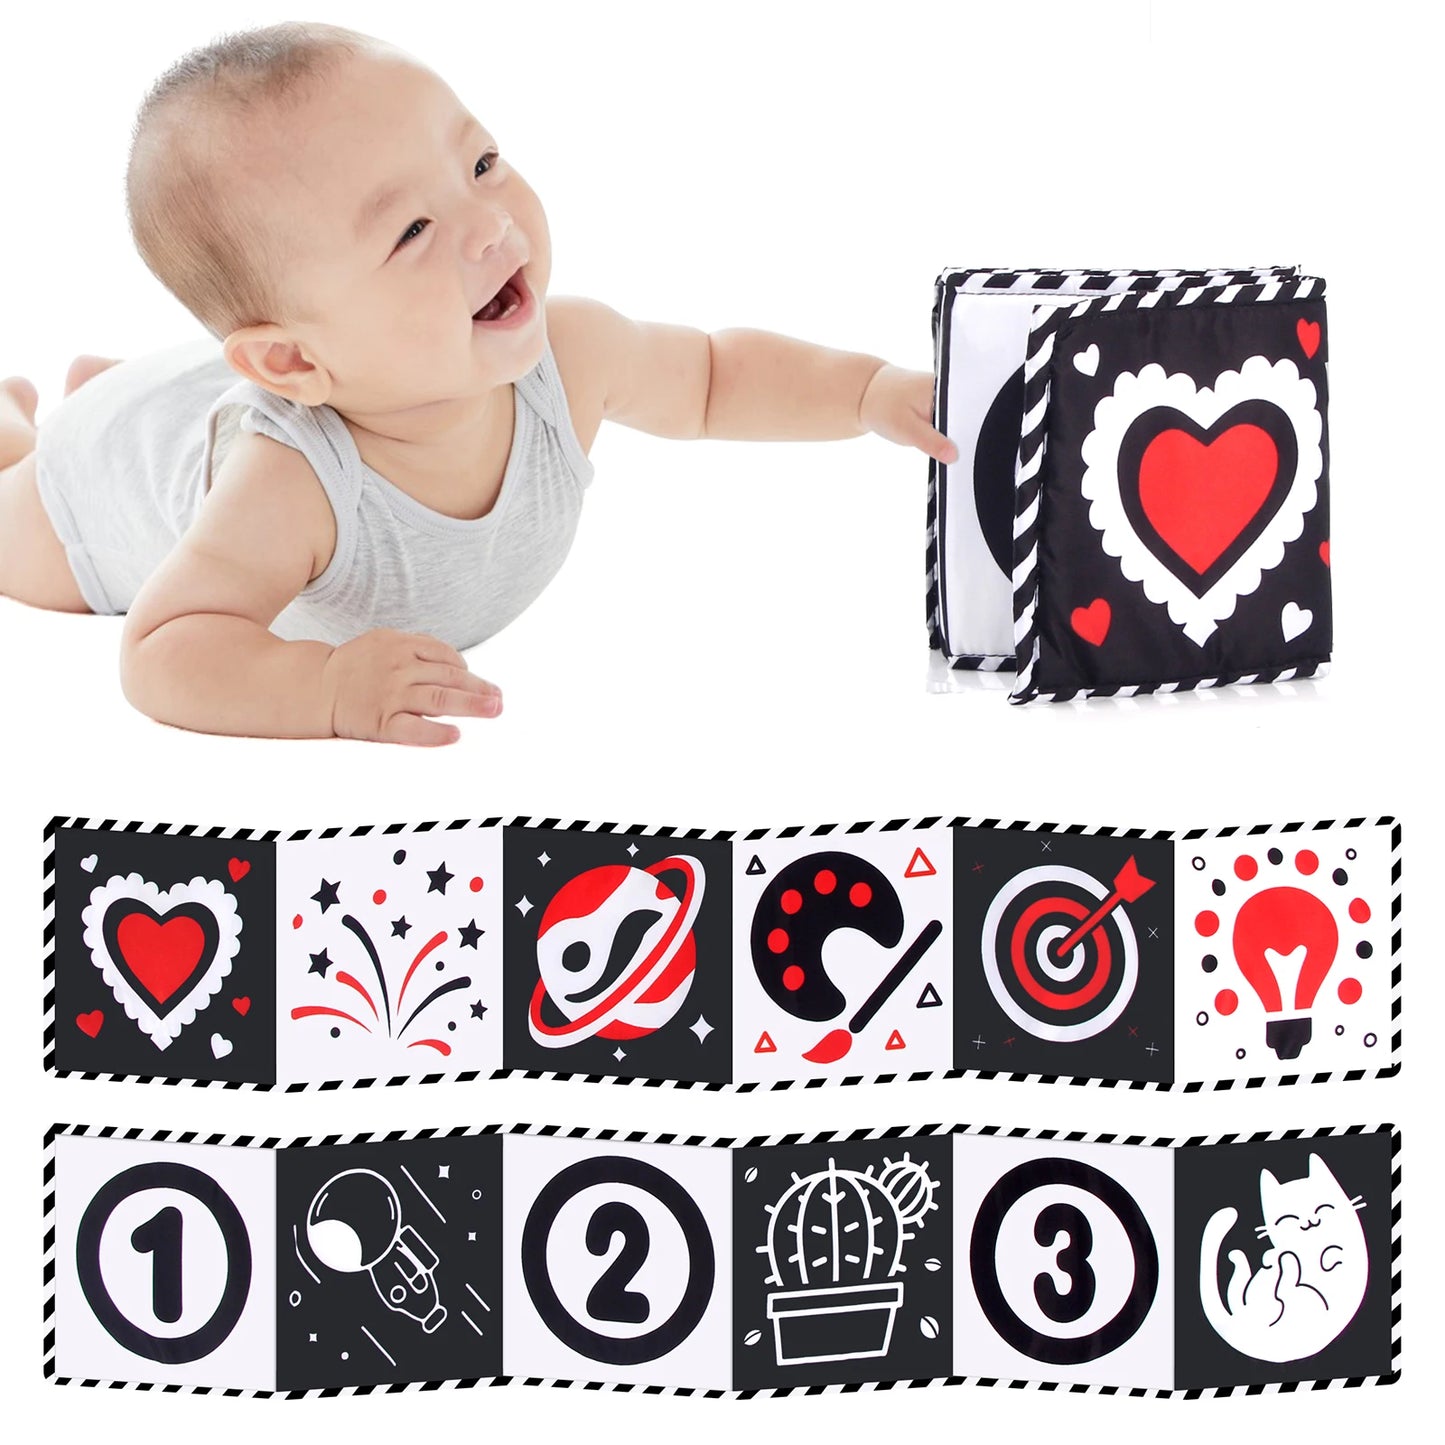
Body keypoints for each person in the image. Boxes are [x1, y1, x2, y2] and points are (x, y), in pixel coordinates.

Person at [0, 20, 956, 746]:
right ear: (294, 362)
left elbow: (712, 375)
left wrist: (866, 391)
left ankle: (103, 387)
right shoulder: (289, 488)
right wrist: (323, 691)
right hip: (94, 488)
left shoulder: (566, 359)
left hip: (202, 390)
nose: (489, 226)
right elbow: (163, 648)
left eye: (482, 163)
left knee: (161, 407)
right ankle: (31, 425)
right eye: (412, 232)